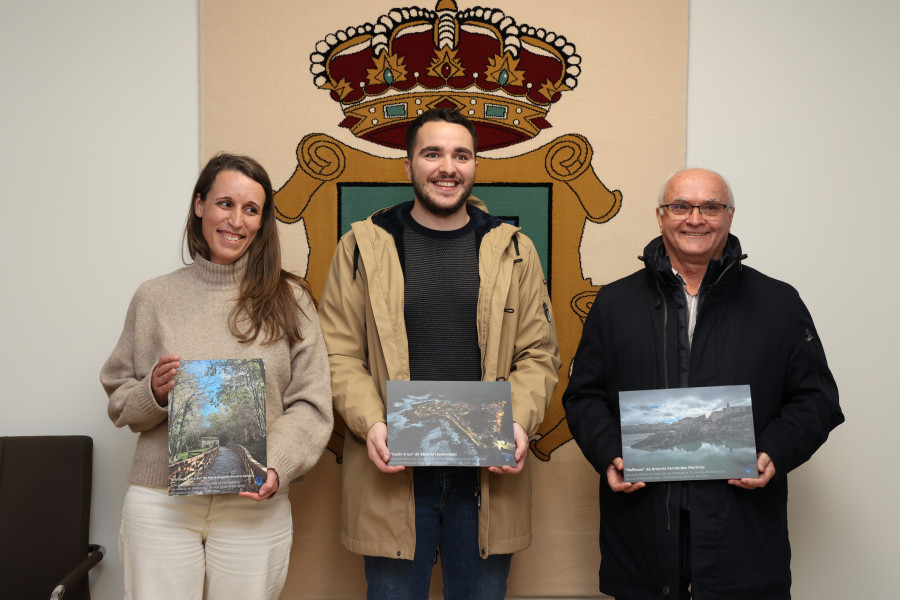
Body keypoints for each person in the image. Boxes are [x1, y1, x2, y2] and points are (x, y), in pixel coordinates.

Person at [562, 168, 844, 600]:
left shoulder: (779, 303)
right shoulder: (614, 303)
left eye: (710, 207)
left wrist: (773, 451)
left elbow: (817, 398)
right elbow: (583, 396)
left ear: (729, 217)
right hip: (642, 532)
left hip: (743, 534)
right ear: (661, 216)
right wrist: (610, 452)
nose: (695, 218)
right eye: (681, 206)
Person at [318, 108, 560, 599]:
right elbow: (339, 353)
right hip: (393, 476)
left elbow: (539, 353)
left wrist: (517, 421)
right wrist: (373, 424)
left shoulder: (515, 249)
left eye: (461, 155)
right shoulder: (361, 247)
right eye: (432, 153)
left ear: (475, 166)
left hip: (485, 482)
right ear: (408, 166)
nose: (447, 167)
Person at [100, 153, 333, 600]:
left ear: (262, 222)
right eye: (226, 203)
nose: (237, 220)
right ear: (200, 205)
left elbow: (312, 402)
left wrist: (275, 464)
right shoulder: (154, 297)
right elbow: (119, 396)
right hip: (162, 502)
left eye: (251, 210)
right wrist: (153, 392)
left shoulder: (292, 299)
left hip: (254, 502)